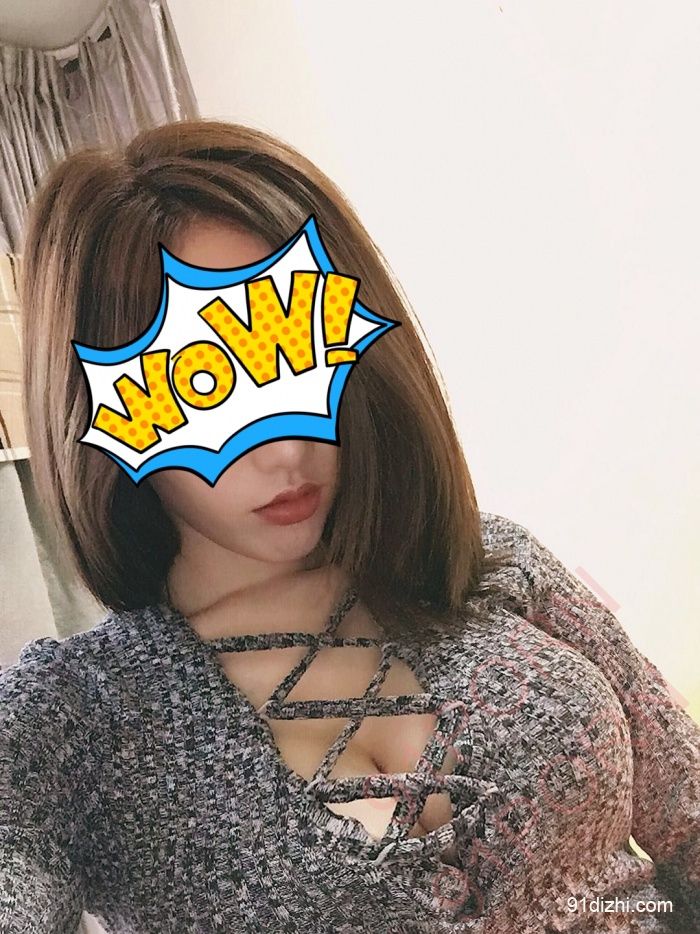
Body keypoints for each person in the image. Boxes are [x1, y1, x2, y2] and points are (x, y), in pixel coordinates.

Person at [0, 120, 697, 934]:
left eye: (299, 356)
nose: (285, 449)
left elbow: (686, 816)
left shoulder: (487, 561)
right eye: (203, 386)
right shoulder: (75, 718)